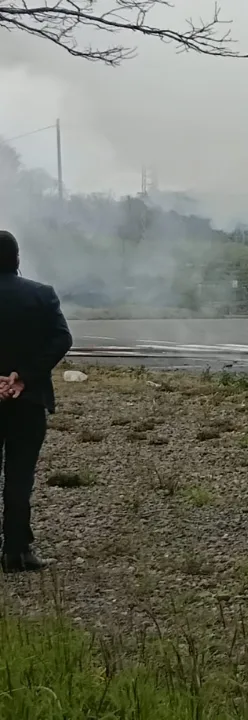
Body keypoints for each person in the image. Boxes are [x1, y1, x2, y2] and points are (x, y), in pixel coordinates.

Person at [0, 230, 73, 573]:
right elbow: (62, 338)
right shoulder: (41, 295)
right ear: (17, 259)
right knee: (19, 477)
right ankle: (16, 551)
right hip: (28, 400)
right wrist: (23, 376)